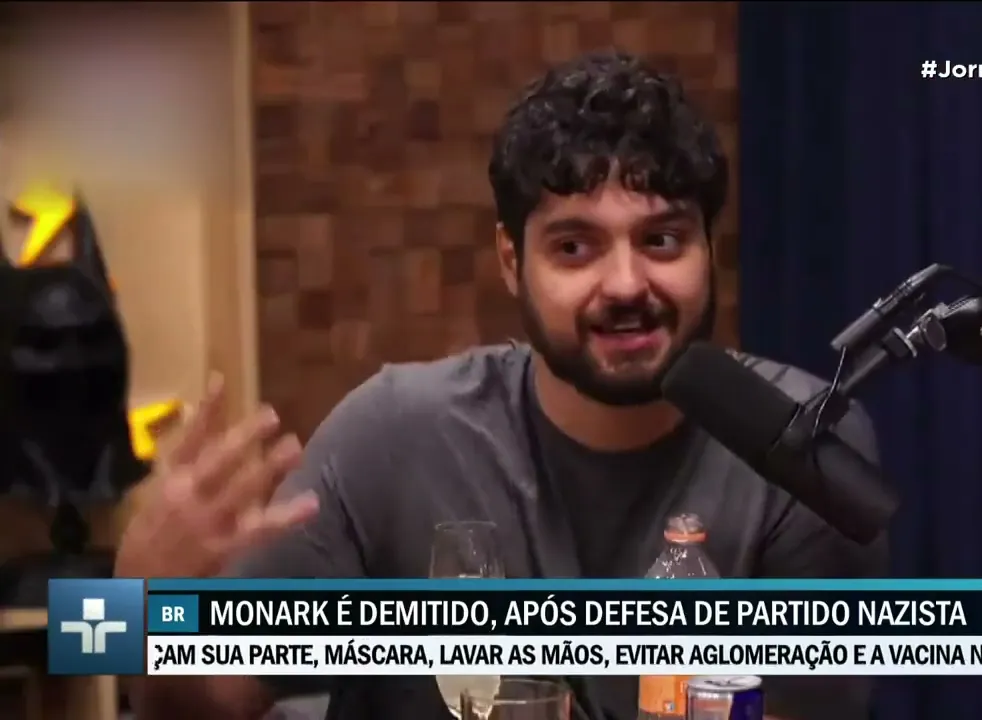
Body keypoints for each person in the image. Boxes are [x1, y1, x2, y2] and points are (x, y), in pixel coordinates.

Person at [118, 51, 888, 720]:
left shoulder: (798, 448)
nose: (626, 284)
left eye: (661, 240)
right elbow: (203, 706)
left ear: (708, 250)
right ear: (512, 262)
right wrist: (142, 610)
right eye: (575, 247)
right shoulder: (395, 438)